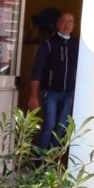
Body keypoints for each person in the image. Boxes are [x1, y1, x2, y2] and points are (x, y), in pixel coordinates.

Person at [28, 12, 79, 152]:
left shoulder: (76, 44)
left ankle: (50, 160)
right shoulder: (48, 44)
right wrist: (33, 96)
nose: (67, 24)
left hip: (68, 93)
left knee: (61, 127)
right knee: (49, 125)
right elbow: (37, 70)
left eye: (71, 21)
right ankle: (39, 161)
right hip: (50, 93)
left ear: (74, 25)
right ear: (58, 24)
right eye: (64, 21)